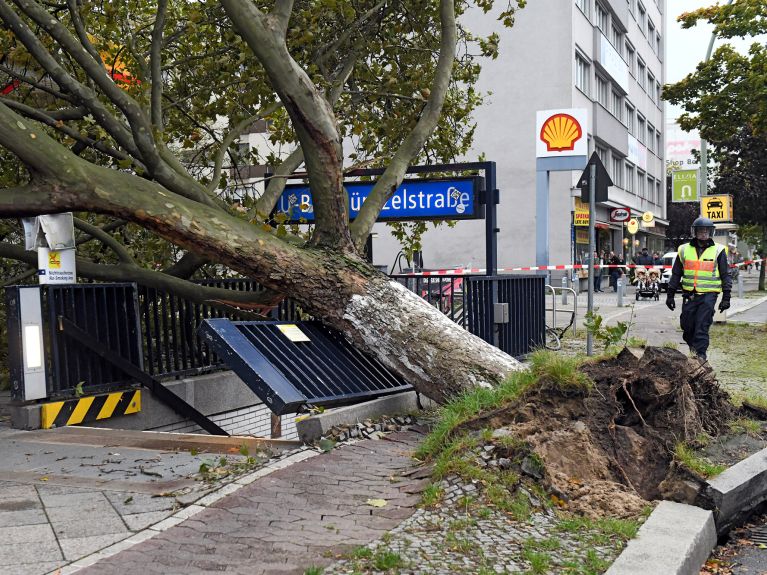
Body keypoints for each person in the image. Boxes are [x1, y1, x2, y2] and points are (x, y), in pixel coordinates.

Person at [666, 217, 732, 361]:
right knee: (687, 326)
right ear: (694, 232)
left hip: (709, 296)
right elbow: (676, 273)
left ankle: (700, 356)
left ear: (711, 232)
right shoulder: (684, 250)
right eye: (700, 230)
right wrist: (670, 295)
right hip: (689, 295)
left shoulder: (719, 250)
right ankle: (694, 350)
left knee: (702, 326)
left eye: (706, 230)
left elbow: (725, 275)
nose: (703, 233)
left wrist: (726, 298)